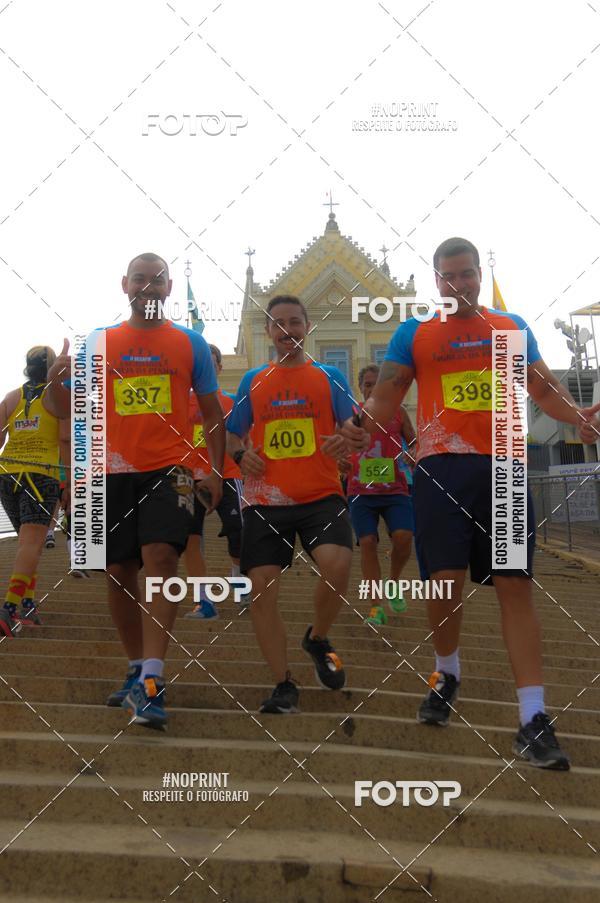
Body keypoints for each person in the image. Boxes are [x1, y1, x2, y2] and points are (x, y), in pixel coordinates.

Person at [342, 237, 600, 770]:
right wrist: (358, 427)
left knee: (515, 584)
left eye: (468, 274)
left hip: (504, 468)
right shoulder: (416, 331)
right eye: (449, 275)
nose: (459, 283)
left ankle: (532, 717)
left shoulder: (509, 328)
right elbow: (386, 395)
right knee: (444, 581)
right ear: (436, 280)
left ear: (479, 275)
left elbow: (543, 389)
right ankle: (447, 670)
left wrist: (579, 416)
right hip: (440, 470)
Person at [47, 253, 224, 729]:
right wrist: (55, 380)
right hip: (109, 472)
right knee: (119, 570)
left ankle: (152, 678)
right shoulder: (98, 343)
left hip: (175, 469)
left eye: (157, 280)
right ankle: (133, 665)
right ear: (125, 284)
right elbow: (62, 409)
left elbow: (212, 414)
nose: (148, 286)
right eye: (140, 279)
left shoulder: (190, 344)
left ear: (168, 290)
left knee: (162, 557)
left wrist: (217, 471)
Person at [226, 294, 355, 714]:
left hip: (321, 494)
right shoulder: (252, 381)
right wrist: (240, 456)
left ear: (307, 327)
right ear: (268, 332)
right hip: (266, 500)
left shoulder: (330, 376)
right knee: (262, 589)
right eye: (278, 323)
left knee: (337, 564)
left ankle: (317, 637)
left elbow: (354, 427)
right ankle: (283, 683)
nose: (288, 331)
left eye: (295, 322)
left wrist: (346, 439)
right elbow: (231, 436)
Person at [0, 346, 67, 635]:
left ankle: (27, 603)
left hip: (7, 474)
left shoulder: (11, 397)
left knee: (30, 543)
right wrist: (69, 483)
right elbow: (65, 440)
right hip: (42, 474)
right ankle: (9, 607)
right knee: (32, 542)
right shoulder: (58, 396)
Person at [346, 364, 415, 626]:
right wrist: (341, 461)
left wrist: (412, 454)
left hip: (395, 488)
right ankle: (376, 608)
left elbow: (413, 439)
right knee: (367, 543)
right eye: (367, 384)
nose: (372, 388)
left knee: (403, 537)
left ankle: (394, 583)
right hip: (360, 491)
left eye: (377, 383)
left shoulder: (398, 412)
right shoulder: (353, 415)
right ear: (361, 388)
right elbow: (341, 445)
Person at [184, 343, 244, 619]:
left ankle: (238, 576)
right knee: (190, 539)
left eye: (210, 363)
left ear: (219, 368)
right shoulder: (177, 403)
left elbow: (244, 440)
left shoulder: (232, 403)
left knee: (238, 532)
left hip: (228, 473)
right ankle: (204, 601)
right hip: (184, 477)